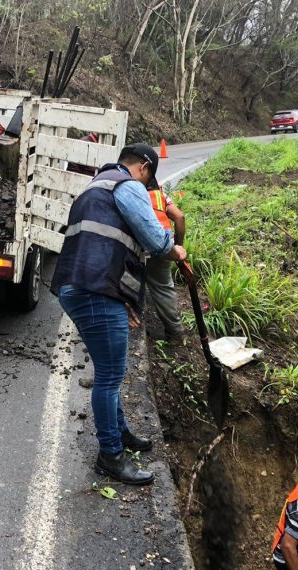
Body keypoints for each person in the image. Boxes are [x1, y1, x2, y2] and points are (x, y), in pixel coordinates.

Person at [51, 143, 187, 486]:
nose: (147, 184)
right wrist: (176, 249)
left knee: (108, 369)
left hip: (78, 285)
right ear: (143, 166)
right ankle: (110, 456)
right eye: (149, 177)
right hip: (94, 290)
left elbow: (103, 245)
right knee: (111, 375)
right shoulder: (128, 186)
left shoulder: (95, 186)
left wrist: (121, 299)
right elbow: (155, 240)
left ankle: (121, 432)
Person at [145, 179, 186, 342]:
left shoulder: (130, 193)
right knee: (163, 287)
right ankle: (175, 333)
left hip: (145, 244)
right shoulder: (160, 194)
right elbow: (180, 217)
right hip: (165, 244)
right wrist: (178, 248)